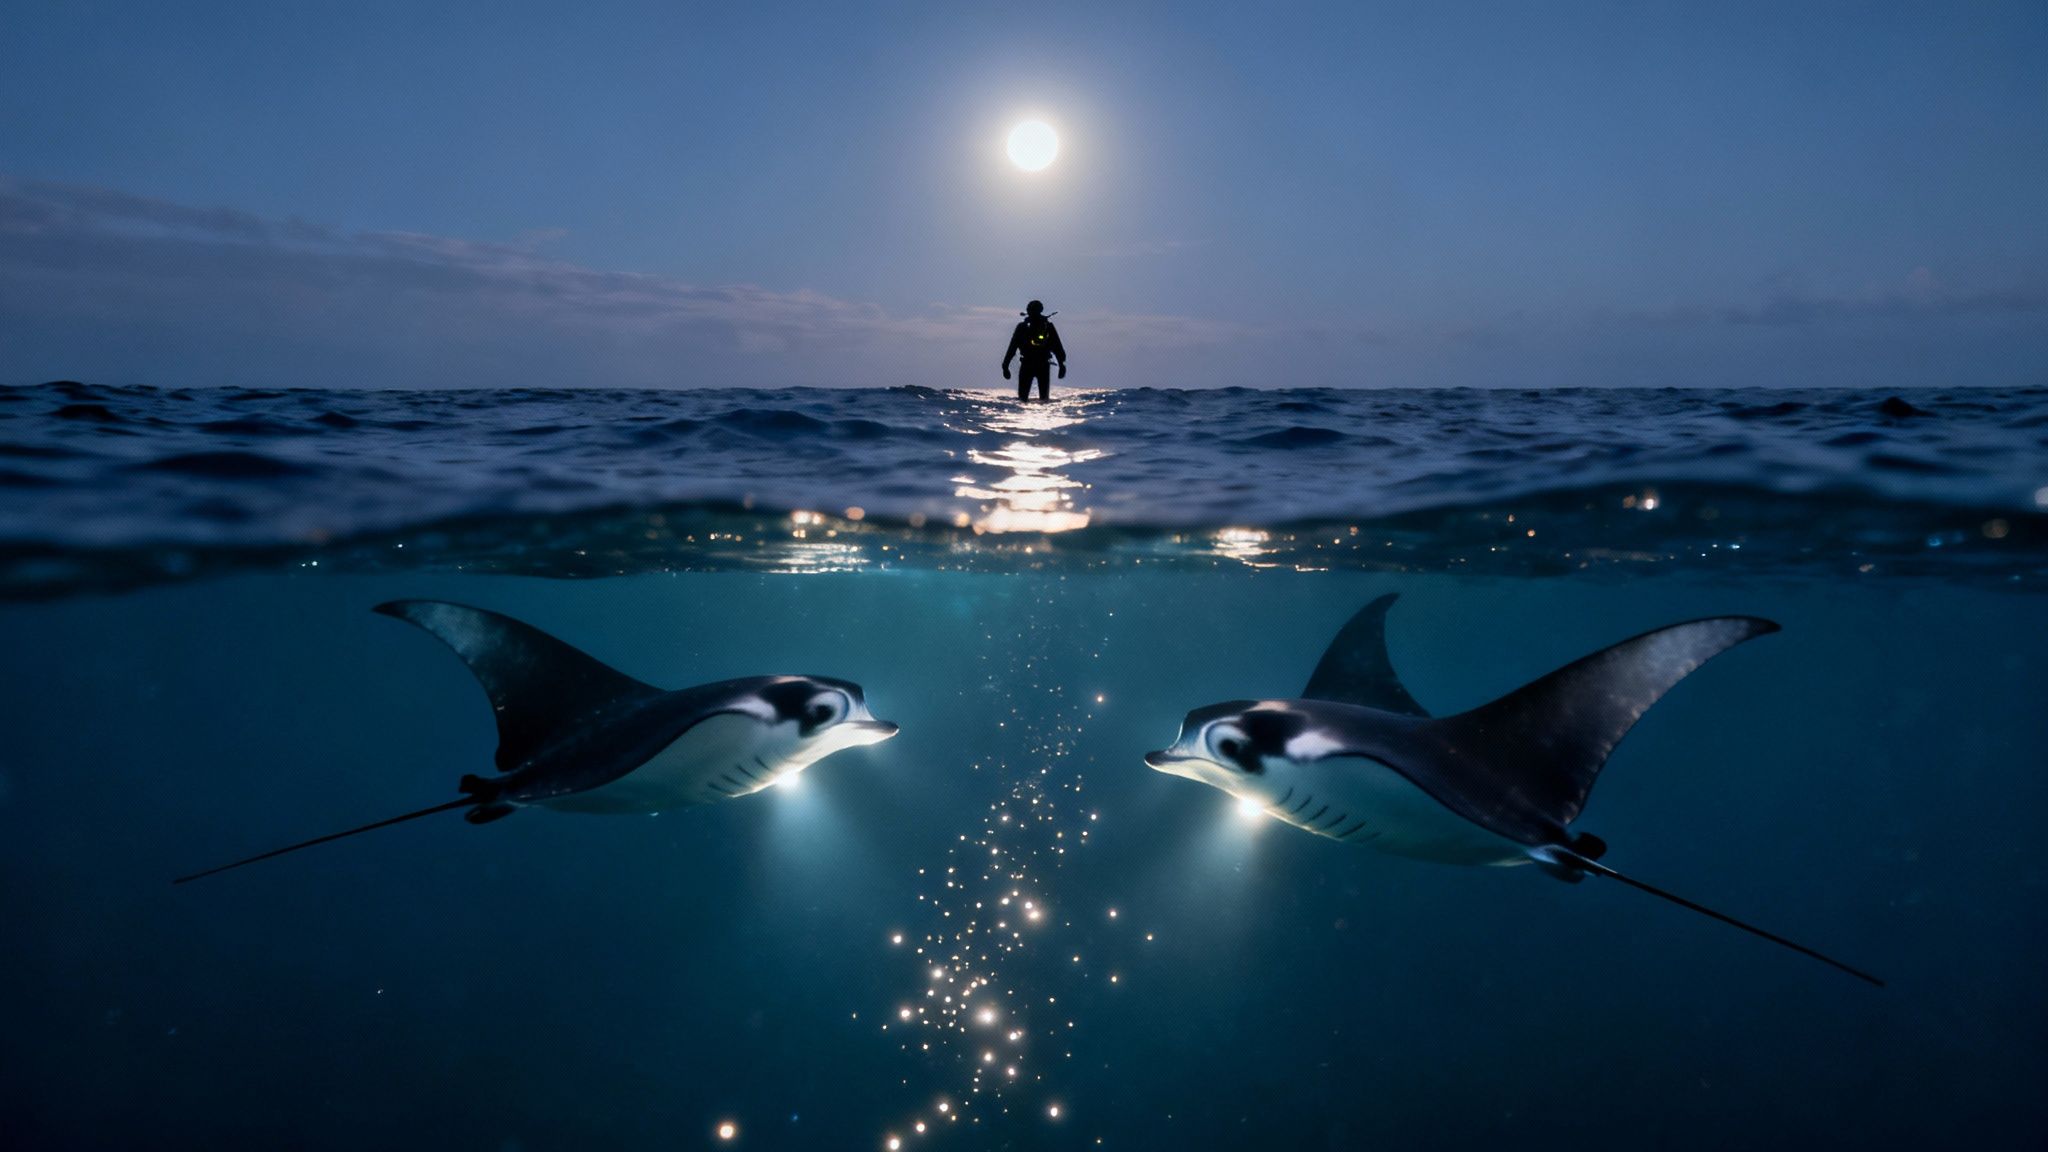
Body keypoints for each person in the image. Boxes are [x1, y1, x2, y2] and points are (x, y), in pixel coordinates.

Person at [1001, 300, 1067, 402]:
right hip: (1043, 365)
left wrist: (1005, 366)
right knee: (1044, 399)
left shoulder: (1022, 327)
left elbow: (1012, 348)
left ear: (1028, 311)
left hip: (1027, 364)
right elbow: (1058, 348)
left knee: (1022, 399)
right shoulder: (1048, 326)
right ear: (1041, 310)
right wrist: (1062, 365)